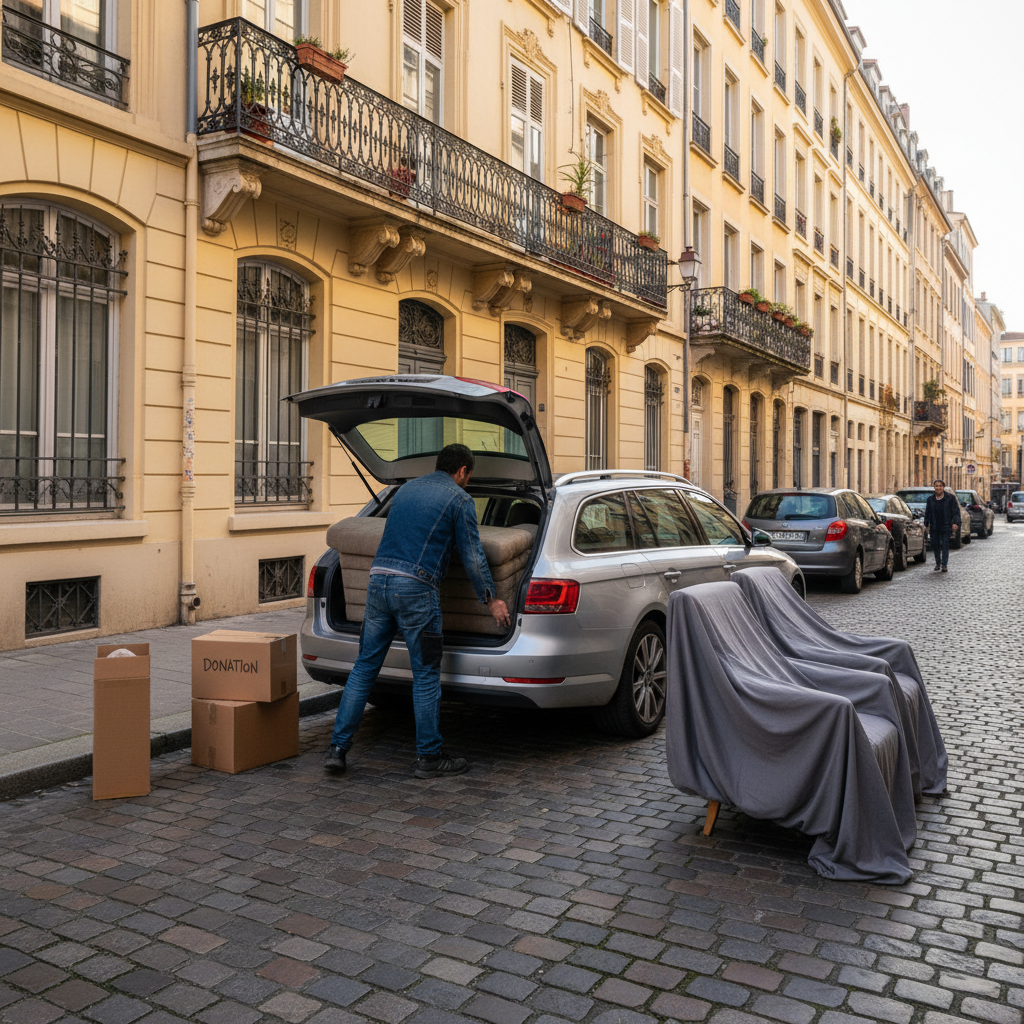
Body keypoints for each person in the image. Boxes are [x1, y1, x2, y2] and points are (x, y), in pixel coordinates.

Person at [324, 443, 511, 778]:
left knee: (364, 668)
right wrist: (491, 599)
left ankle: (337, 749)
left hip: (378, 582)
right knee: (425, 674)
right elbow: (472, 555)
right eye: (468, 477)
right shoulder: (459, 499)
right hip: (416, 590)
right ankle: (429, 757)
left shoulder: (405, 490)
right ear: (462, 471)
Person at [923, 478, 959, 573]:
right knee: (935, 544)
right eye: (936, 486)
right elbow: (928, 512)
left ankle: (944, 565)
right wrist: (926, 524)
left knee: (945, 545)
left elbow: (955, 511)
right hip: (934, 525)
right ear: (934, 487)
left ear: (943, 487)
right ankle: (937, 562)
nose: (938, 488)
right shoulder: (930, 499)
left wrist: (955, 522)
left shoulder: (950, 498)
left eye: (940, 486)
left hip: (946, 525)